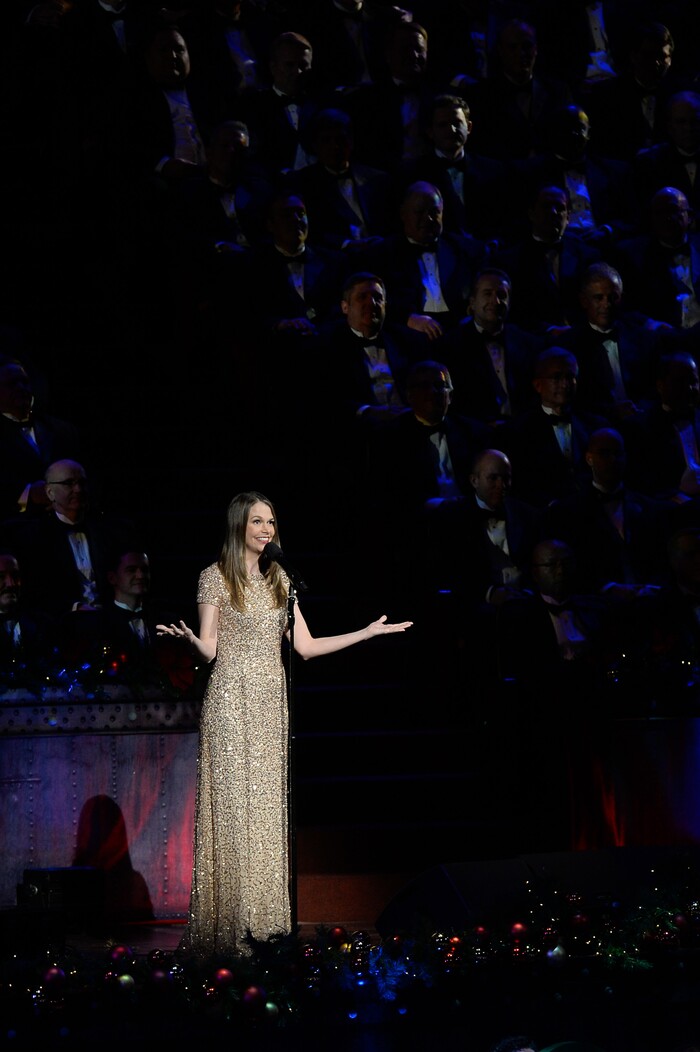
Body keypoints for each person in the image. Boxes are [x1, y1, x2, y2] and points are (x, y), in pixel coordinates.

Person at [156, 490, 413, 958]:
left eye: (271, 522)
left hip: (272, 707)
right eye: (257, 522)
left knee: (268, 815)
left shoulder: (281, 582)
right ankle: (229, 927)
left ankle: (266, 924)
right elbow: (211, 649)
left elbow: (307, 647)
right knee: (234, 813)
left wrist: (368, 633)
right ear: (239, 526)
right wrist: (191, 640)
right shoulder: (214, 578)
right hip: (231, 703)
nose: (266, 530)